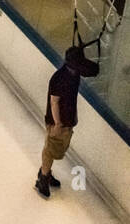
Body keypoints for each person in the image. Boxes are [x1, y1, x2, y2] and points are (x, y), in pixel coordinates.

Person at [35, 45, 100, 198]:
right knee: (51, 150)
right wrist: (58, 124)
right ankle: (43, 178)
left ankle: (45, 172)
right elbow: (54, 102)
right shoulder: (60, 78)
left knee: (53, 148)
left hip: (67, 120)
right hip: (58, 122)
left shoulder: (74, 72)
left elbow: (92, 70)